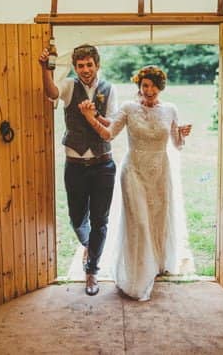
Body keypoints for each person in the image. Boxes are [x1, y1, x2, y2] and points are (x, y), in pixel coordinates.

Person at [78, 65, 195, 301]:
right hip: (133, 172)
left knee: (157, 218)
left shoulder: (170, 109)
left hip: (160, 172)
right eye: (144, 86)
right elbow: (109, 134)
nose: (148, 90)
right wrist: (91, 118)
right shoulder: (129, 109)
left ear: (159, 87)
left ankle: (157, 261)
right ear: (139, 88)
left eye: (152, 86)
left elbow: (177, 144)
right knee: (139, 222)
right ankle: (137, 275)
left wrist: (182, 133)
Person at [39, 44, 118, 296]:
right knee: (76, 218)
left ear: (97, 65)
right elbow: (51, 92)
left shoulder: (109, 89)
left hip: (103, 164)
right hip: (75, 165)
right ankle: (89, 245)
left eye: (89, 65)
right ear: (75, 67)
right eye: (80, 65)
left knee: (100, 221)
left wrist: (90, 118)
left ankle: (91, 270)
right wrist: (45, 69)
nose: (85, 70)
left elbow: (111, 125)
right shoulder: (69, 85)